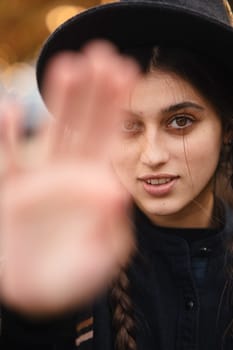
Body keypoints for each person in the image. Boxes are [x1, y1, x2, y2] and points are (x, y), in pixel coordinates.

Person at [1, 0, 233, 349]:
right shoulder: (71, 261)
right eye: (127, 126)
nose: (153, 155)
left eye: (180, 121)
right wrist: (34, 320)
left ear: (227, 127)